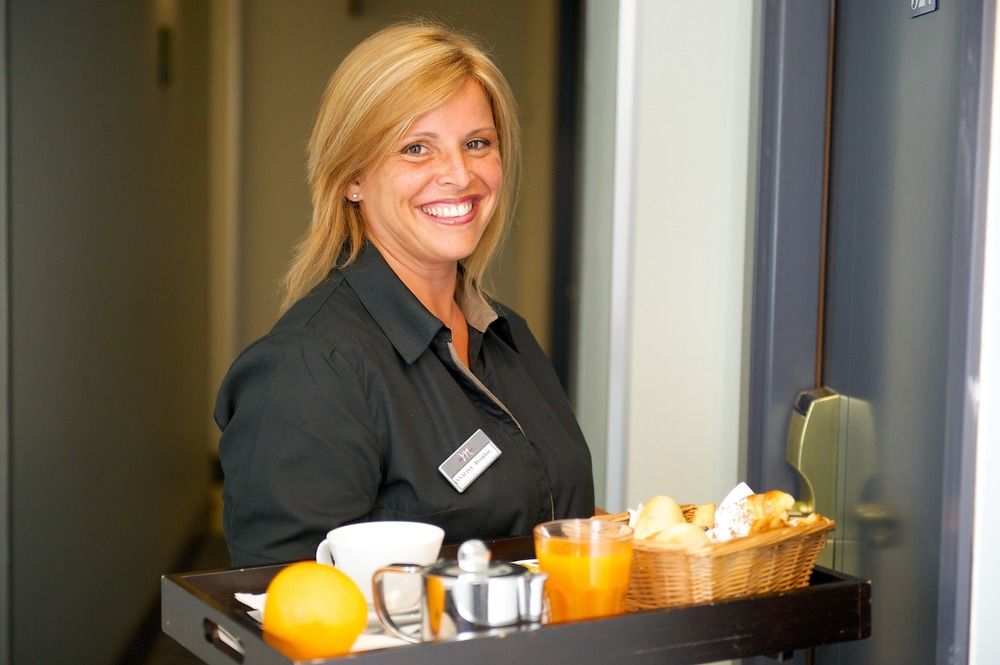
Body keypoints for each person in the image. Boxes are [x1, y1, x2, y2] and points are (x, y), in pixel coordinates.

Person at [215, 21, 595, 566]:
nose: (459, 174)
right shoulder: (307, 371)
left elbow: (555, 523)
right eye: (417, 148)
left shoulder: (506, 334)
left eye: (477, 143)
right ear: (352, 177)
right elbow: (289, 604)